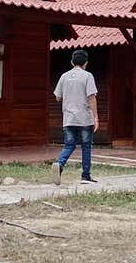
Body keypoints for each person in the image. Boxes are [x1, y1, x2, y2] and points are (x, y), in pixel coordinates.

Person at [52, 49, 99, 185]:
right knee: (86, 146)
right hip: (85, 117)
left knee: (69, 145)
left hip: (68, 118)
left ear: (72, 62)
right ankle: (85, 176)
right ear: (86, 63)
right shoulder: (88, 76)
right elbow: (91, 97)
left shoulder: (64, 76)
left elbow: (57, 97)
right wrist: (96, 117)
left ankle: (59, 164)